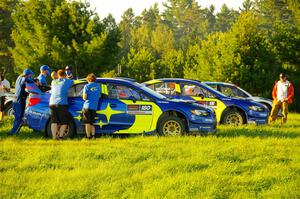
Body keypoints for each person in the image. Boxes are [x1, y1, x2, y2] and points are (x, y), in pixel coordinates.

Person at [9, 69, 35, 135]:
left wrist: (34, 80)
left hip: (16, 100)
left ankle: (14, 132)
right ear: (28, 74)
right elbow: (25, 80)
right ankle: (12, 133)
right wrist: (34, 81)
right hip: (19, 100)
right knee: (18, 118)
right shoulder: (24, 78)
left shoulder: (19, 77)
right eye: (31, 75)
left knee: (18, 118)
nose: (31, 76)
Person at [49, 69, 74, 139]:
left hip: (52, 103)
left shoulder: (53, 82)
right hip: (62, 103)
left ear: (58, 75)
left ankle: (54, 137)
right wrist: (69, 76)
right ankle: (60, 136)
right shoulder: (67, 81)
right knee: (65, 122)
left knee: (54, 121)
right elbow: (73, 81)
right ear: (65, 75)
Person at [82, 73, 101, 139]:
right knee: (92, 123)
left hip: (87, 106)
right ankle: (93, 136)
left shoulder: (86, 86)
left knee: (87, 123)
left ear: (88, 79)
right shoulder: (98, 86)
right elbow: (99, 96)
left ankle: (88, 136)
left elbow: (84, 97)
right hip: (94, 107)